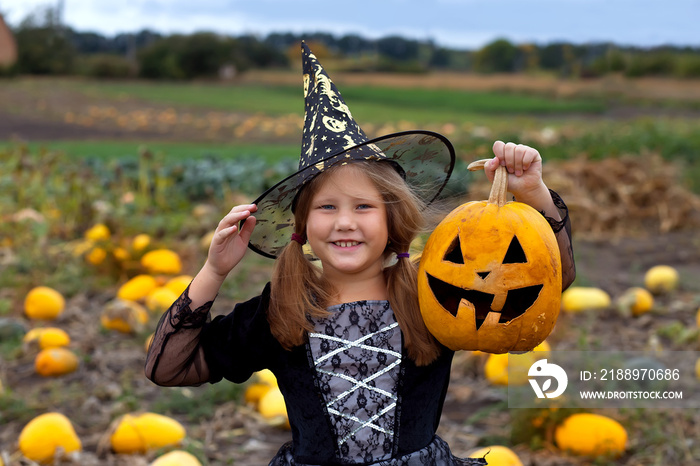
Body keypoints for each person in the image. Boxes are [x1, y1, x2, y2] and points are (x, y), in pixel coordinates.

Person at [145, 42, 575, 465]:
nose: (344, 222)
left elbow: (539, 285)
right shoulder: (281, 311)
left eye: (363, 207)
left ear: (392, 221)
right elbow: (169, 368)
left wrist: (533, 193)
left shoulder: (431, 294)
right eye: (327, 207)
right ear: (303, 226)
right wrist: (213, 271)